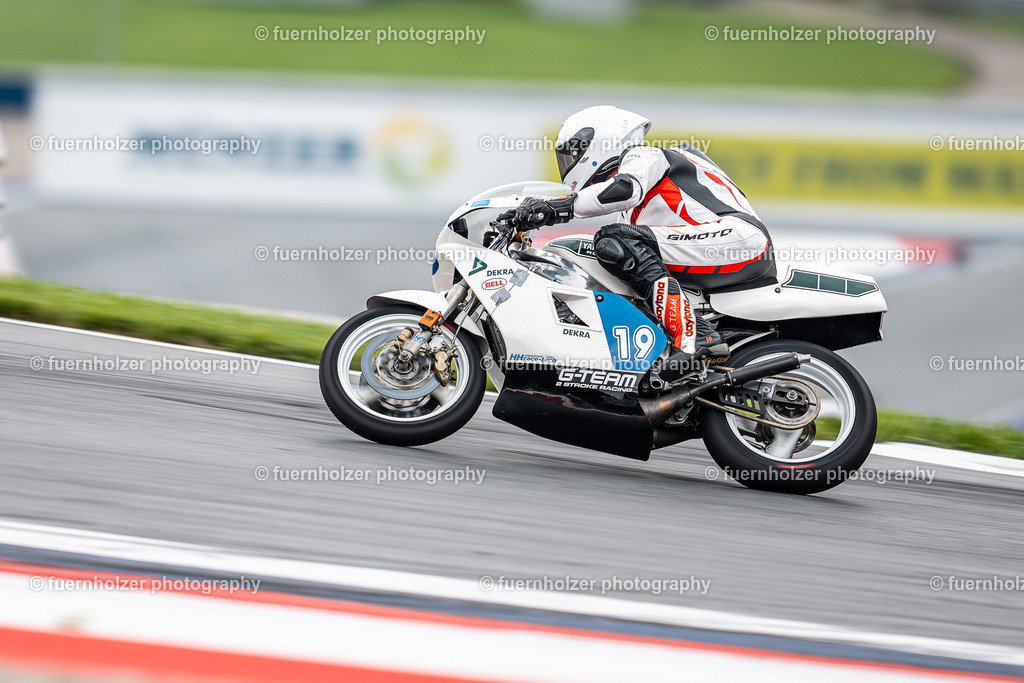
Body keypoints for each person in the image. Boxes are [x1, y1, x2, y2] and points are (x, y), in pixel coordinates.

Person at [506, 105, 776, 379]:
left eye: (575, 153)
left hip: (736, 238)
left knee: (615, 240)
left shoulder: (645, 155)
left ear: (601, 140)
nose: (570, 162)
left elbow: (624, 189)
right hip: (721, 243)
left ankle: (695, 336)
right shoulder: (635, 204)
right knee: (613, 247)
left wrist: (555, 208)